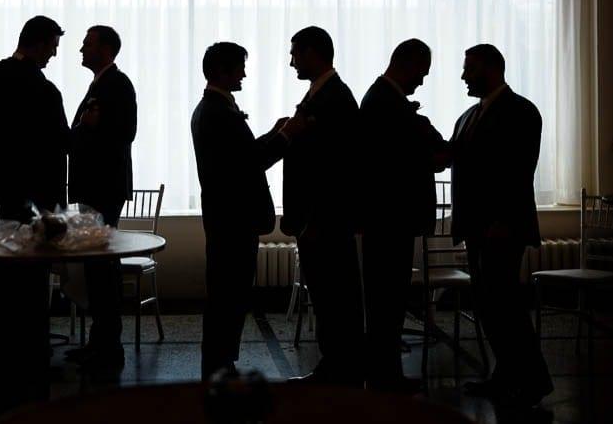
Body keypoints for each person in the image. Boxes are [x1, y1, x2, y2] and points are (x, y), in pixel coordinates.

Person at [0, 15, 70, 406]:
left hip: (4, 192)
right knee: (33, 281)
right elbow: (61, 144)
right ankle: (32, 353)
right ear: (41, 43)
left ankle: (6, 352)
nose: (54, 54)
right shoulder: (46, 91)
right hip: (40, 198)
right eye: (53, 46)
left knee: (7, 273)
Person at [449, 43, 553, 409]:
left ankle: (534, 380)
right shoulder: (466, 117)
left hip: (501, 228)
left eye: (469, 68)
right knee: (490, 306)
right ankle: (507, 375)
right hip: (478, 228)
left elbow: (518, 171)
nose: (463, 76)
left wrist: (503, 221)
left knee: (505, 305)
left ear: (492, 69)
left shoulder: (521, 112)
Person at [191, 42, 300, 379]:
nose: (244, 73)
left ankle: (222, 361)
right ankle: (219, 364)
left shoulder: (211, 109)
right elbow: (248, 163)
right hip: (233, 221)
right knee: (228, 297)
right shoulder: (217, 112)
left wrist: (275, 132)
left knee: (228, 295)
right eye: (239, 67)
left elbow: (241, 154)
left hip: (226, 219)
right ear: (223, 70)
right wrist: (285, 138)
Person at [358, 38, 446, 393]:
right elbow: (402, 160)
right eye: (421, 73)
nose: (421, 81)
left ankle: (385, 374)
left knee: (386, 301)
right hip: (390, 218)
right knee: (386, 302)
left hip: (385, 219)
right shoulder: (385, 102)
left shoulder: (382, 99)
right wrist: (425, 134)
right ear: (406, 64)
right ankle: (386, 378)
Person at [279, 26, 364, 385]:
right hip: (317, 221)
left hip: (323, 222)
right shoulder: (322, 94)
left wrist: (314, 220)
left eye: (295, 52)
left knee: (335, 298)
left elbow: (333, 170)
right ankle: (336, 366)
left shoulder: (334, 99)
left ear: (314, 53)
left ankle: (339, 371)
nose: (291, 60)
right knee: (329, 297)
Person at [66, 25, 137, 372]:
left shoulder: (117, 84)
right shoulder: (101, 84)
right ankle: (100, 341)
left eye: (87, 43)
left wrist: (91, 128)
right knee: (96, 268)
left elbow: (127, 132)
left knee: (102, 268)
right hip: (95, 188)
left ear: (106, 49)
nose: (81, 48)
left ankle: (109, 347)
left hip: (103, 188)